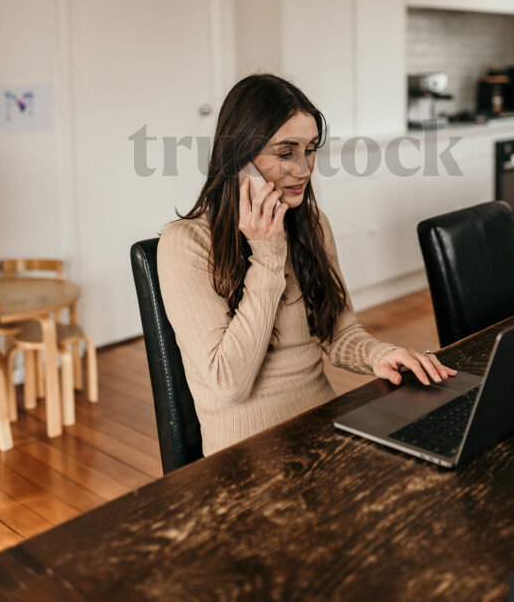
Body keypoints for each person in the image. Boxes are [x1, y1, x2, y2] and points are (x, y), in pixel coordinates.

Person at [157, 73, 455, 456]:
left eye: (310, 149)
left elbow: (339, 332)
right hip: (246, 455)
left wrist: (380, 354)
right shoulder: (185, 243)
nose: (303, 168)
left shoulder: (311, 223)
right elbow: (230, 382)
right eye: (286, 152)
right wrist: (267, 255)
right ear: (239, 158)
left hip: (325, 430)